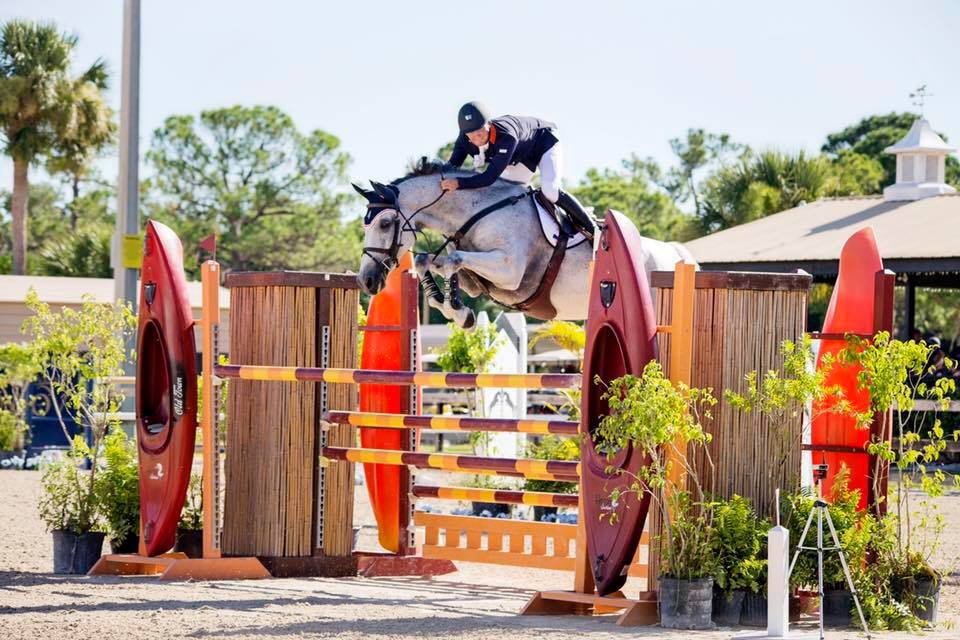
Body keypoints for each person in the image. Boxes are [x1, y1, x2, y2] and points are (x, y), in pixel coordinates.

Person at [441, 101, 595, 239]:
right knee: (503, 197)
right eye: (471, 135)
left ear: (488, 124)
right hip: (521, 155)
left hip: (544, 142)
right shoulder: (464, 139)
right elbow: (451, 167)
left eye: (479, 132)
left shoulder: (506, 136)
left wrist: (459, 183)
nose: (476, 138)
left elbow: (489, 178)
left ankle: (593, 229)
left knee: (550, 190)